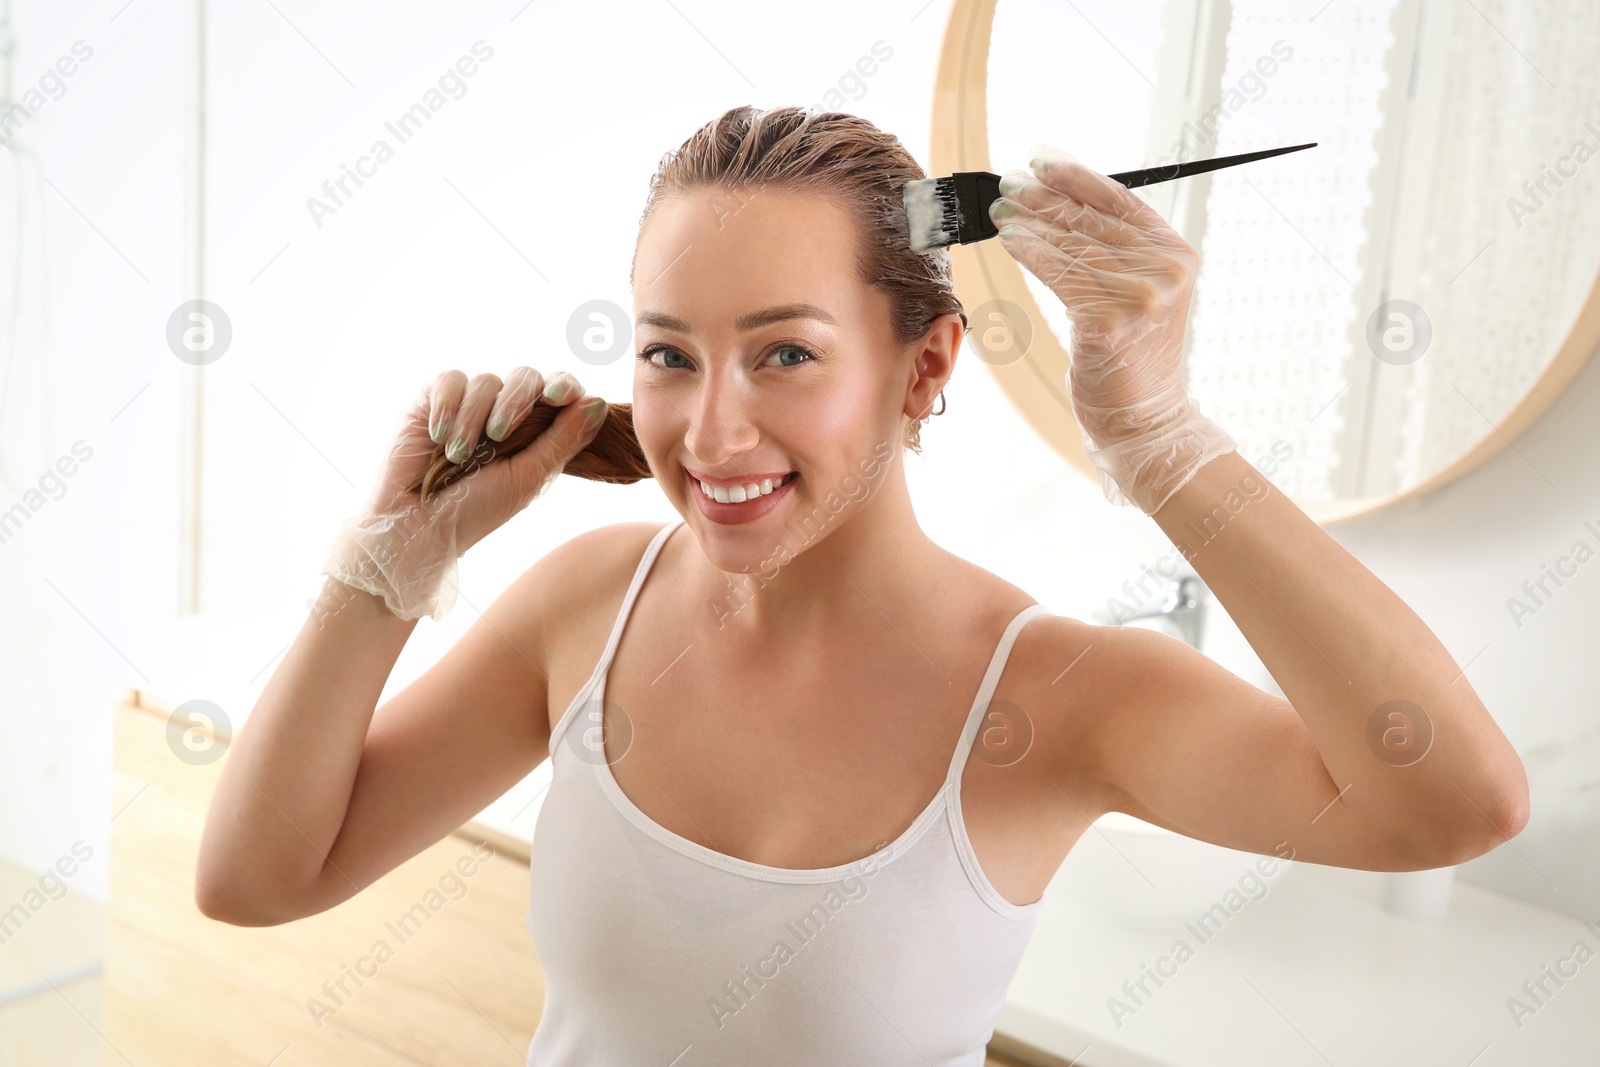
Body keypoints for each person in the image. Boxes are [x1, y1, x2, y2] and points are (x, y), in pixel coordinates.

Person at [195, 105, 1528, 1065]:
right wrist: (389, 563)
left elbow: (1454, 801)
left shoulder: (1058, 696)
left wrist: (1163, 443)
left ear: (926, 369)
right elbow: (257, 878)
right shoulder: (590, 601)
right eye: (670, 356)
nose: (710, 435)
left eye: (783, 356)